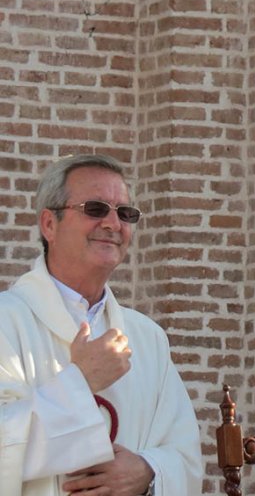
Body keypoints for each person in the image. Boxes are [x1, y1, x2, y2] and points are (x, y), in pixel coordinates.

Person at [0, 154, 202, 496]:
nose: (113, 223)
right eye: (95, 209)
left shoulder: (147, 337)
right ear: (49, 224)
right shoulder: (6, 321)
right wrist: (80, 382)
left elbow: (185, 454)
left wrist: (148, 472)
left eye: (125, 213)